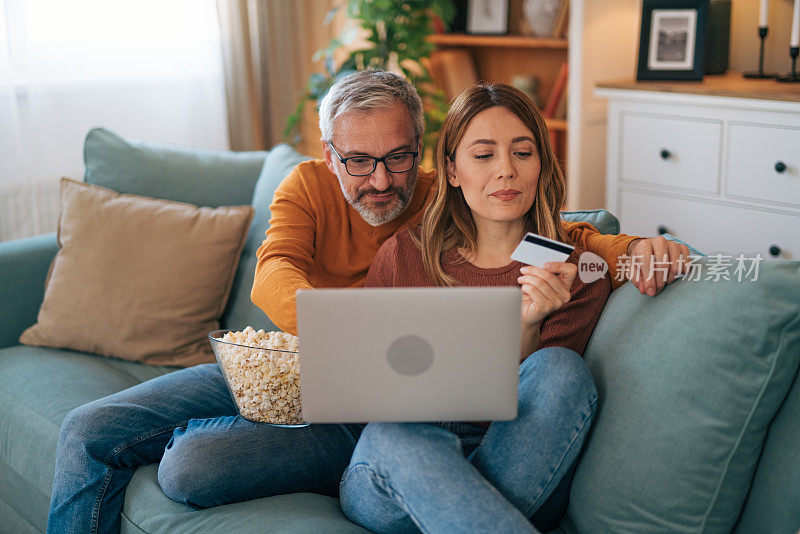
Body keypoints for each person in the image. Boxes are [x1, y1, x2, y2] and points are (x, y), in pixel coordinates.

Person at [47, 70, 688, 534]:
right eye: (358, 161)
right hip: (311, 369)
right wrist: (352, 335)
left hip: (395, 416)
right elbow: (272, 274)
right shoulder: (312, 191)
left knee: (525, 381)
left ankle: (405, 482)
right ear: (329, 157)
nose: (381, 180)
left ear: (424, 154)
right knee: (99, 432)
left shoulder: (455, 194)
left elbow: (555, 224)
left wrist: (640, 246)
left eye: (398, 158)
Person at [338, 82, 608, 534]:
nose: (506, 171)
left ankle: (454, 513)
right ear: (453, 169)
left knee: (560, 369)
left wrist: (527, 325)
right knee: (394, 436)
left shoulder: (569, 271)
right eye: (484, 155)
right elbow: (370, 400)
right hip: (400, 464)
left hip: (515, 462)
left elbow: (535, 407)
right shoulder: (405, 255)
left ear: (542, 164)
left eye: (523, 154)